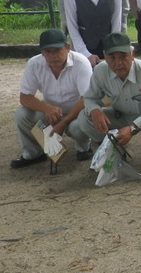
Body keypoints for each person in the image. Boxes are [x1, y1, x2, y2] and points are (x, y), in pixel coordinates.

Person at [69, 32, 141, 169]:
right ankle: (114, 149)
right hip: (122, 114)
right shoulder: (100, 71)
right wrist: (95, 111)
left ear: (132, 54)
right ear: (105, 57)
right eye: (112, 57)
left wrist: (133, 128)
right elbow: (90, 98)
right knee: (84, 117)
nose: (118, 63)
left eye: (123, 56)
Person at [11, 29, 93, 169]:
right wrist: (47, 108)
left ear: (67, 48)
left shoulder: (81, 63)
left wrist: (63, 122)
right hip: (51, 110)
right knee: (22, 115)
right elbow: (24, 98)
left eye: (57, 50)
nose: (53, 55)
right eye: (48, 51)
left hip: (78, 110)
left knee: (78, 127)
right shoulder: (34, 64)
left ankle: (83, 148)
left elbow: (87, 99)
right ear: (42, 52)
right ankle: (33, 153)